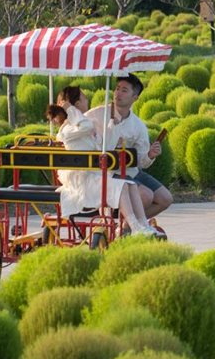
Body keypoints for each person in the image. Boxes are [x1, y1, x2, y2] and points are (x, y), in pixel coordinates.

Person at [46, 87, 164, 238]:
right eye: (84, 98)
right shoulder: (68, 129)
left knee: (130, 184)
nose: (87, 100)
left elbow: (103, 146)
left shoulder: (81, 126)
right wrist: (69, 109)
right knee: (121, 185)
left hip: (93, 177)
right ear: (75, 105)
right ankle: (134, 226)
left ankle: (143, 225)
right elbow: (86, 126)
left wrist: (113, 127)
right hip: (82, 182)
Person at [86, 74, 173, 226]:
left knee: (166, 199)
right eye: (117, 88)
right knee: (146, 196)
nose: (118, 93)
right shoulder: (97, 114)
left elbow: (142, 162)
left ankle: (126, 225)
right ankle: (133, 226)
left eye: (124, 90)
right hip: (107, 172)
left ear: (135, 97)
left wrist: (151, 155)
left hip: (130, 171)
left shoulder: (138, 126)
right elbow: (76, 125)